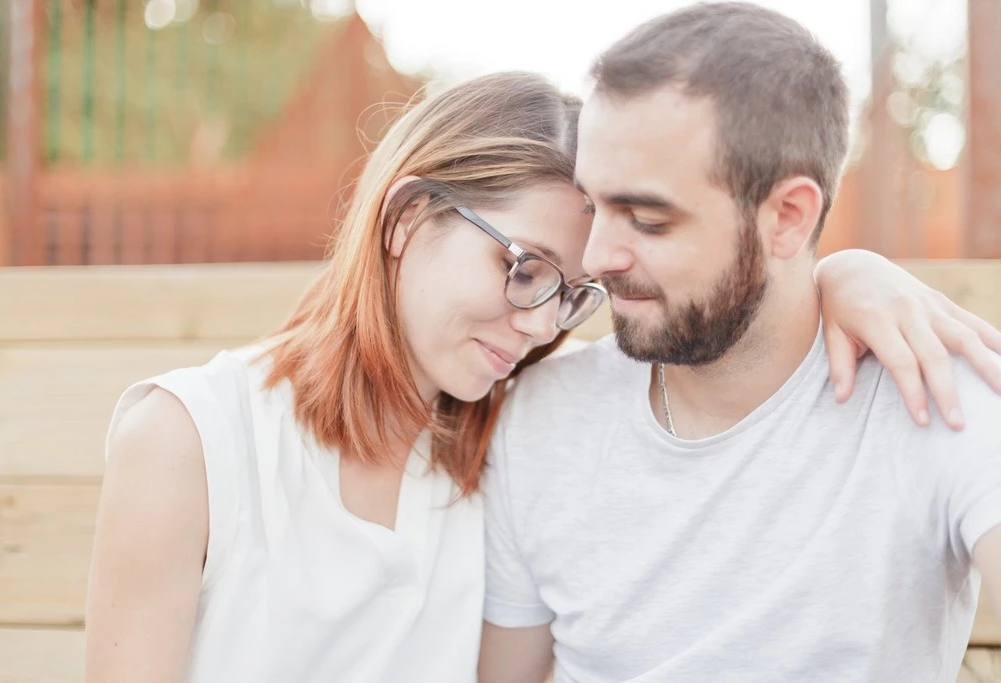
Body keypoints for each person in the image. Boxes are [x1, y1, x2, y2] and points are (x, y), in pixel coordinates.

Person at [84, 69, 998, 682]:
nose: (536, 325)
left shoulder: (503, 438)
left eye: (570, 294)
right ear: (406, 220)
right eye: (521, 268)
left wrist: (844, 271)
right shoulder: (189, 442)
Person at [477, 5, 1001, 683]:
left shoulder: (931, 387)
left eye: (646, 219)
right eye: (593, 206)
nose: (599, 256)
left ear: (787, 218)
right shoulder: (544, 415)